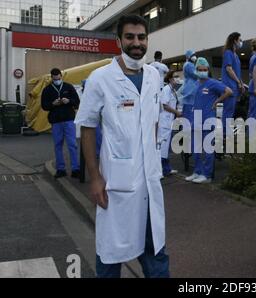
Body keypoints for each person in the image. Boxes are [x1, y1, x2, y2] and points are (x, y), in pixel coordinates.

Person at [74, 15, 169, 278]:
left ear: (147, 40)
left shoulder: (153, 76)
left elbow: (152, 121)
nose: (136, 43)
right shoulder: (100, 78)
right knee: (110, 254)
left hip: (149, 179)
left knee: (156, 250)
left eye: (141, 37)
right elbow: (88, 127)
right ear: (118, 40)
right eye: (130, 37)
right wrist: (95, 178)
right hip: (117, 183)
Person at [185, 57, 232, 184]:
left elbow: (229, 91)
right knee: (196, 148)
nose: (202, 71)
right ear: (196, 70)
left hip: (207, 119)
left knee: (207, 148)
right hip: (196, 119)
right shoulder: (196, 84)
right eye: (200, 69)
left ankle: (207, 175)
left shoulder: (212, 83)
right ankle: (197, 171)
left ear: (208, 70)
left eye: (205, 69)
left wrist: (216, 101)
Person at [41, 68, 80, 179]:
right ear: (51, 77)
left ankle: (75, 169)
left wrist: (69, 101)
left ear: (61, 76)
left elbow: (77, 101)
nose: (56, 79)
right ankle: (60, 169)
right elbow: (44, 106)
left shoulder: (68, 87)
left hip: (68, 119)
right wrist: (53, 104)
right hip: (56, 121)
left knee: (72, 144)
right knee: (58, 145)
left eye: (57, 77)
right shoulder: (47, 89)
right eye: (54, 77)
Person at [158, 70, 182, 177]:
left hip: (169, 121)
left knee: (166, 147)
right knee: (162, 147)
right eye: (176, 76)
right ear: (170, 79)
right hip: (164, 122)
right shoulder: (167, 89)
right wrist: (177, 112)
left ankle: (167, 169)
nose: (178, 78)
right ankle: (160, 171)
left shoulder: (173, 90)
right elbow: (165, 105)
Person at [221, 32, 245, 138]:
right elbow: (229, 69)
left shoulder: (235, 55)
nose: (241, 42)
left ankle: (226, 136)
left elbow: (236, 71)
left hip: (234, 87)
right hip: (229, 87)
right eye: (240, 40)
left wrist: (241, 83)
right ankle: (224, 136)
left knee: (230, 113)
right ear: (235, 40)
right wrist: (238, 82)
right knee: (227, 112)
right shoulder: (228, 53)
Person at [181, 50, 198, 126]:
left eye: (194, 54)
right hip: (189, 93)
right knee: (189, 118)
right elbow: (197, 74)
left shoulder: (191, 65)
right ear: (188, 57)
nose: (194, 56)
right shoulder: (188, 65)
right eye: (192, 55)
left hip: (191, 94)